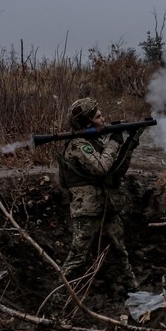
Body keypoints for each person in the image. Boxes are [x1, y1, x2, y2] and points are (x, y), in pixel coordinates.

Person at [57, 97, 144, 299]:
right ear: (87, 122)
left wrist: (130, 141)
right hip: (86, 210)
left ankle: (134, 292)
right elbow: (102, 167)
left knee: (120, 251)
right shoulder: (79, 144)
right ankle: (57, 300)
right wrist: (114, 141)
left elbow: (115, 170)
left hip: (106, 205)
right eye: (98, 116)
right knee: (77, 258)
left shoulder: (92, 141)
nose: (103, 118)